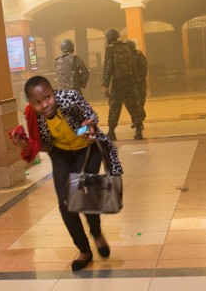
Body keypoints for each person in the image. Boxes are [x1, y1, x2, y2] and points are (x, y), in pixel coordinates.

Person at [9, 76, 123, 271]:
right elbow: (45, 145)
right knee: (65, 204)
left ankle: (96, 233)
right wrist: (26, 144)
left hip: (88, 148)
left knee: (84, 193)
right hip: (61, 152)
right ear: (31, 104)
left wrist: (88, 127)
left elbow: (92, 120)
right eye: (37, 103)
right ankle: (84, 250)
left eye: (47, 97)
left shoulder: (70, 98)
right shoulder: (33, 116)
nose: (44, 105)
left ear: (53, 92)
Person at [102, 29, 142, 140]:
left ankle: (111, 132)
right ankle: (138, 131)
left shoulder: (110, 49)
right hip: (130, 82)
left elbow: (108, 67)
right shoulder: (126, 47)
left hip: (118, 83)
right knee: (133, 106)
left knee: (115, 107)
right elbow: (132, 65)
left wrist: (105, 85)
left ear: (108, 39)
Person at [126, 39, 148, 125]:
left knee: (140, 102)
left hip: (139, 84)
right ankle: (136, 121)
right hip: (130, 84)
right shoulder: (125, 56)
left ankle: (140, 120)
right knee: (131, 104)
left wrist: (140, 78)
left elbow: (144, 67)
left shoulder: (139, 54)